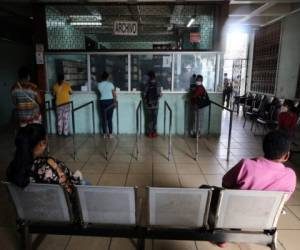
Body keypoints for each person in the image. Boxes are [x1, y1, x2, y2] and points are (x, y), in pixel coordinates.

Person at [6, 124, 85, 194]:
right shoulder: (48, 169)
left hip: (33, 208)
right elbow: (71, 194)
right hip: (59, 207)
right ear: (42, 143)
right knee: (86, 184)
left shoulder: (13, 167)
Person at [223, 130, 296, 198]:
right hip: (268, 211)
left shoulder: (246, 165)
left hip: (236, 209)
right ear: (286, 155)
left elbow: (225, 183)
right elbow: (284, 199)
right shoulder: (290, 175)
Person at [97, 71, 116, 139]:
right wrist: (115, 102)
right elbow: (114, 94)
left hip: (102, 102)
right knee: (109, 119)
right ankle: (110, 134)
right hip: (110, 102)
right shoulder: (110, 84)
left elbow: (100, 93)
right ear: (107, 77)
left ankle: (104, 134)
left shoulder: (98, 84)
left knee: (103, 119)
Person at [143, 71, 162, 138]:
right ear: (154, 76)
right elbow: (159, 95)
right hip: (156, 104)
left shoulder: (146, 84)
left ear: (149, 77)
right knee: (155, 119)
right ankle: (154, 133)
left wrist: (147, 102)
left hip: (148, 105)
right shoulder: (158, 84)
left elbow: (144, 95)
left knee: (149, 119)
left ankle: (149, 133)